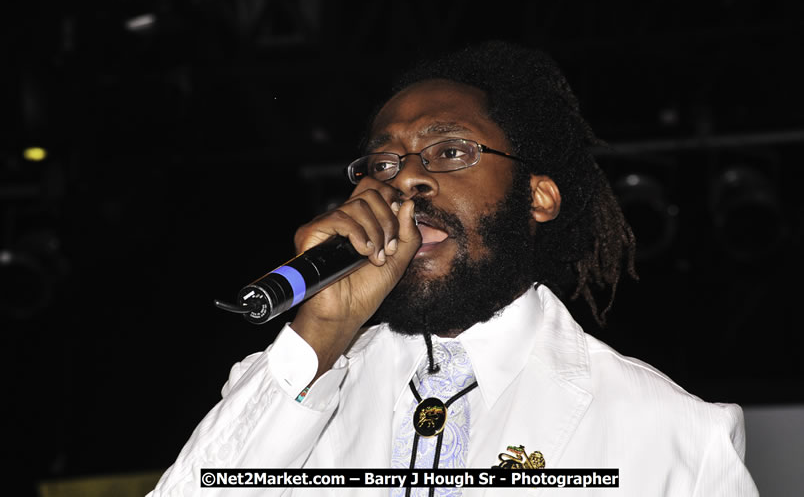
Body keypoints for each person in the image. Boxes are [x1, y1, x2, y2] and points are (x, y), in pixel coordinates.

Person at [148, 41, 758, 496]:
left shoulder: (673, 435)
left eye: (450, 151)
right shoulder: (297, 382)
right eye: (383, 163)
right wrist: (321, 332)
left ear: (538, 196)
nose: (406, 178)